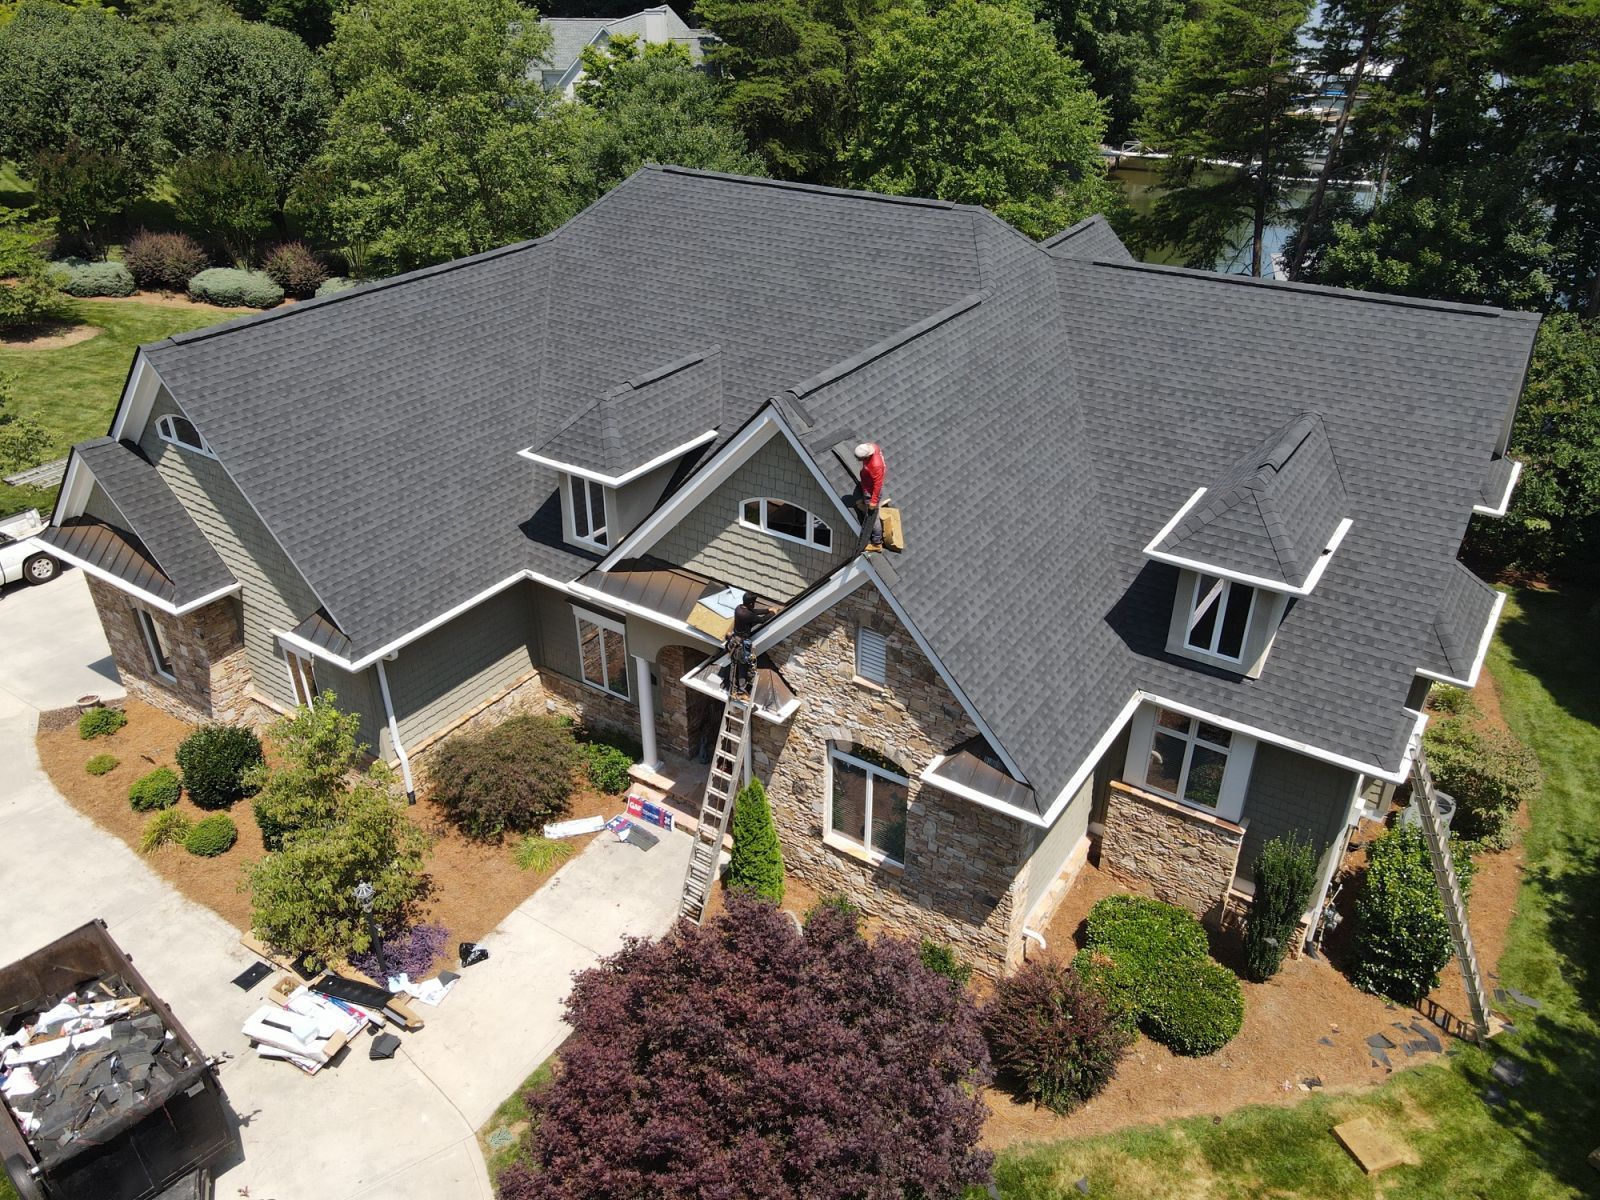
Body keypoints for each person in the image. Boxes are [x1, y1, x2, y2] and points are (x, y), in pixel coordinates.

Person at [726, 592, 776, 699]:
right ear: (751, 603)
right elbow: (761, 620)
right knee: (743, 668)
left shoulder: (739, 608)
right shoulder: (747, 615)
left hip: (734, 642)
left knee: (734, 666)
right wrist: (773, 613)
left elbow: (754, 612)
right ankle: (742, 692)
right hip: (741, 645)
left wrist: (768, 610)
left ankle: (733, 690)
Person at [853, 442, 885, 553]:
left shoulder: (876, 465)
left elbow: (878, 485)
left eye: (860, 458)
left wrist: (873, 501)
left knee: (872, 517)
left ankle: (877, 543)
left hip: (871, 491)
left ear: (867, 456)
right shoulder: (871, 446)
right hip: (866, 483)